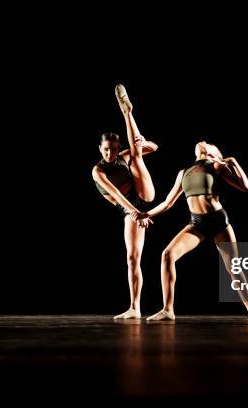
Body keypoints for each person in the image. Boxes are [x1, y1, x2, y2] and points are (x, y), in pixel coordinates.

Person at [133, 141, 248, 321]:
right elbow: (167, 202)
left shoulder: (215, 166)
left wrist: (233, 162)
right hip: (197, 223)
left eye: (210, 143)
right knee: (167, 255)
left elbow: (246, 187)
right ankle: (168, 310)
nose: (204, 142)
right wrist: (145, 214)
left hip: (219, 220)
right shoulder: (184, 173)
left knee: (233, 267)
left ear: (214, 153)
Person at [92, 84, 157, 320]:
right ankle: (135, 307)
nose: (110, 154)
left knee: (138, 153)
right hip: (128, 207)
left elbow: (155, 148)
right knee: (132, 257)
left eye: (113, 150)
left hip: (142, 195)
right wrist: (135, 213)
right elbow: (117, 196)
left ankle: (127, 112)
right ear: (100, 148)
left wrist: (143, 142)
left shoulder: (124, 156)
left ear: (118, 148)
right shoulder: (97, 170)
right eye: (106, 150)